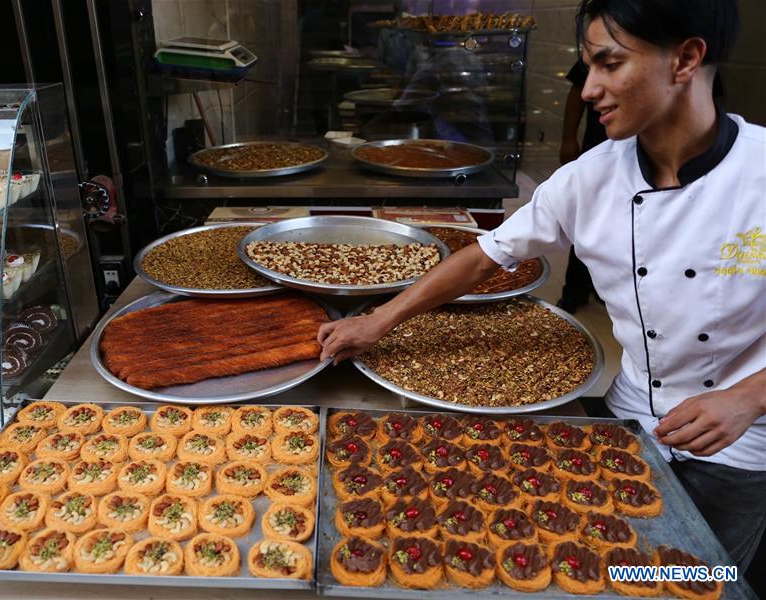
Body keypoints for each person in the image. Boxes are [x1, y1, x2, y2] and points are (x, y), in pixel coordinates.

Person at [318, 0, 766, 576]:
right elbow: (484, 257)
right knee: (603, 567)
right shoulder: (589, 176)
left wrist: (746, 399)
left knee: (701, 578)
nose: (588, 90)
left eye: (609, 64)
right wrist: (376, 321)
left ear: (686, 58)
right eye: (588, 68)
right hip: (630, 419)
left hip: (742, 443)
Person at [557, 60, 608, 314]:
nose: (592, 92)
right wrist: (568, 139)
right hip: (597, 149)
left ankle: (604, 289)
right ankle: (574, 291)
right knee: (586, 222)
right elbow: (578, 91)